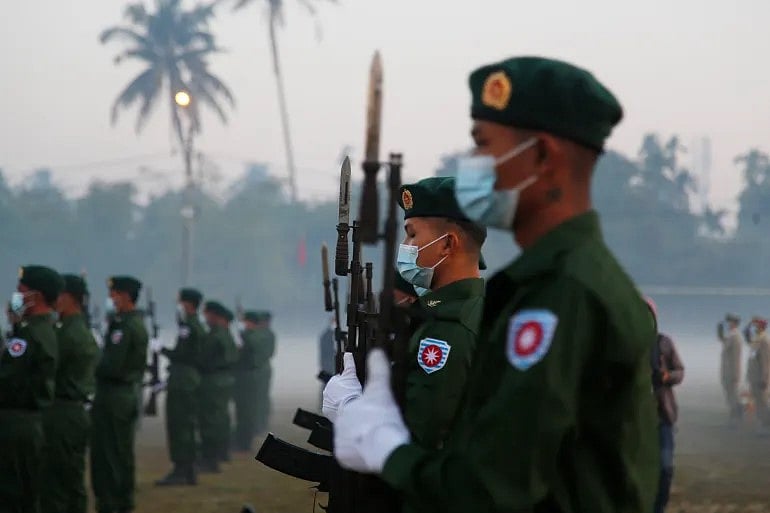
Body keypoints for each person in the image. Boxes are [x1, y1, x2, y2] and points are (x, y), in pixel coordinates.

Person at [333, 56, 659, 513]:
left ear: (542, 157)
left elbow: (491, 490)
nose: (474, 167)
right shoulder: (557, 281)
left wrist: (386, 449)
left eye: (484, 146)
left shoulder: (562, 296)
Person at [325, 176, 487, 456]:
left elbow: (415, 442)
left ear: (447, 245)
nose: (405, 244)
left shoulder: (448, 330)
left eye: (412, 234)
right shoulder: (468, 311)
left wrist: (350, 408)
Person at [0, 265, 62, 513]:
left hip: (16, 423)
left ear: (35, 296)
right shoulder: (42, 330)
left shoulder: (28, 335)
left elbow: (7, 378)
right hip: (29, 422)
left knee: (12, 495)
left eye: (21, 291)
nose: (16, 296)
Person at [41, 274, 99, 513]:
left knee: (56, 483)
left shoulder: (68, 333)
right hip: (73, 412)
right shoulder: (72, 328)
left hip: (62, 412)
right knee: (71, 480)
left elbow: (42, 363)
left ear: (69, 298)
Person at [90, 276, 149, 513]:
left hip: (115, 396)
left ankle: (111, 503)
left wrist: (92, 356)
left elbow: (111, 366)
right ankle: (122, 500)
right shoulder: (127, 323)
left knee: (109, 453)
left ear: (125, 296)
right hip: (122, 395)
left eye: (113, 294)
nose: (111, 298)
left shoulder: (125, 326)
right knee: (121, 452)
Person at [156, 288, 205, 486]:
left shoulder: (189, 326)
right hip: (188, 379)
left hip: (183, 380)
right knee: (186, 424)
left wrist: (162, 349)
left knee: (179, 425)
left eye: (180, 302)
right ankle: (189, 468)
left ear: (188, 304)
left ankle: (181, 469)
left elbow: (182, 354)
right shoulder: (194, 325)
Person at [646, 297, 684, 513]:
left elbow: (680, 371)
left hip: (663, 417)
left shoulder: (664, 343)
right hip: (636, 419)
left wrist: (668, 375)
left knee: (666, 467)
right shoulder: (625, 345)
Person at [197, 300, 237, 472]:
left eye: (207, 313)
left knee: (210, 421)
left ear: (213, 315)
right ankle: (220, 453)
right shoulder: (225, 334)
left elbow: (203, 357)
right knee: (219, 419)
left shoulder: (216, 335)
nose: (205, 317)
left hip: (213, 381)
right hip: (223, 380)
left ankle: (210, 460)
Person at [233, 310, 276, 451]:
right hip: (250, 374)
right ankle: (244, 437)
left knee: (252, 406)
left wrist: (242, 333)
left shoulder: (259, 335)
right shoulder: (258, 334)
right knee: (248, 408)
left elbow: (255, 348)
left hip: (255, 373)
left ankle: (248, 437)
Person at [718, 313, 744, 422]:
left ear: (734, 323)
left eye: (730, 321)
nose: (728, 323)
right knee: (730, 394)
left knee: (732, 395)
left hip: (731, 371)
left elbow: (735, 356)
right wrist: (720, 334)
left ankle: (736, 415)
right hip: (729, 370)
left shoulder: (735, 336)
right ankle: (736, 414)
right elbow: (724, 341)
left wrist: (735, 374)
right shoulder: (732, 335)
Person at [746, 316, 770, 433]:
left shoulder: (764, 339)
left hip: (760, 378)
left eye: (757, 325)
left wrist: (764, 379)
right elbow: (746, 335)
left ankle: (766, 427)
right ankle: (762, 425)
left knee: (762, 403)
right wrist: (749, 324)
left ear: (761, 326)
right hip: (754, 377)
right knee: (757, 402)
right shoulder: (757, 339)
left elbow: (766, 361)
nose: (755, 327)